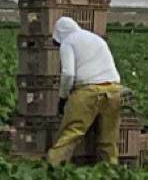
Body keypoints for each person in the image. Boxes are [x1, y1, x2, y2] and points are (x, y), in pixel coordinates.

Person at [46, 16, 123, 165]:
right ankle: (111, 172)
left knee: (72, 132)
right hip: (114, 89)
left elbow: (68, 73)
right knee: (109, 138)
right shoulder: (96, 39)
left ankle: (53, 167)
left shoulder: (68, 41)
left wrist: (63, 97)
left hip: (88, 90)